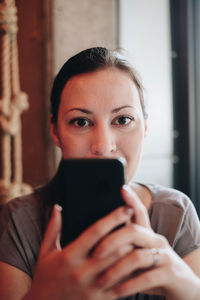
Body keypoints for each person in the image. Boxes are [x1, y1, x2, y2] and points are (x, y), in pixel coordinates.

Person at [0, 47, 200, 300]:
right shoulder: (20, 220)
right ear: (55, 132)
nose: (104, 145)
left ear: (146, 127)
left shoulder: (176, 213)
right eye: (81, 122)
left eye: (123, 120)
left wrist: (189, 289)